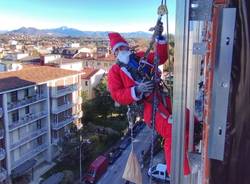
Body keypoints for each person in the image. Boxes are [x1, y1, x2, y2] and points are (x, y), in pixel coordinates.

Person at [107, 22, 190, 175]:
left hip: (160, 95)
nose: (120, 51)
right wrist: (136, 90)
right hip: (148, 107)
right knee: (172, 131)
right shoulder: (114, 72)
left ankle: (193, 139)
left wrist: (159, 37)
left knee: (187, 115)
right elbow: (117, 94)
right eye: (117, 50)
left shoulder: (140, 57)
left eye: (122, 47)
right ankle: (178, 172)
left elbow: (161, 57)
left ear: (127, 46)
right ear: (114, 54)